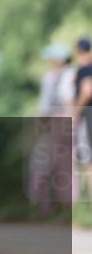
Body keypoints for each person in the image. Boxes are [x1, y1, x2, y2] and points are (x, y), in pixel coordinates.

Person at [29, 45, 75, 214]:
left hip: (59, 123)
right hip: (57, 123)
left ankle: (55, 205)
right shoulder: (54, 76)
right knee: (54, 164)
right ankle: (49, 205)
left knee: (55, 164)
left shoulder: (64, 76)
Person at [73, 37, 92, 202]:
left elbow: (87, 91)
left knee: (88, 161)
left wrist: (76, 112)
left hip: (87, 115)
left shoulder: (85, 69)